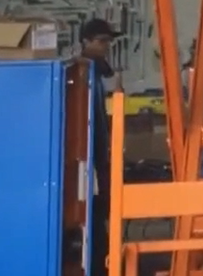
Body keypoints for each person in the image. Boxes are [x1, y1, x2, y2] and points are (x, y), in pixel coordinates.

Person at [79, 18, 122, 276]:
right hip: (90, 159)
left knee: (102, 212)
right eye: (101, 41)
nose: (106, 46)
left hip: (99, 156)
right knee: (94, 213)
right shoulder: (82, 71)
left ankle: (104, 260)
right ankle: (97, 265)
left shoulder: (96, 71)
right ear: (86, 41)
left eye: (108, 42)